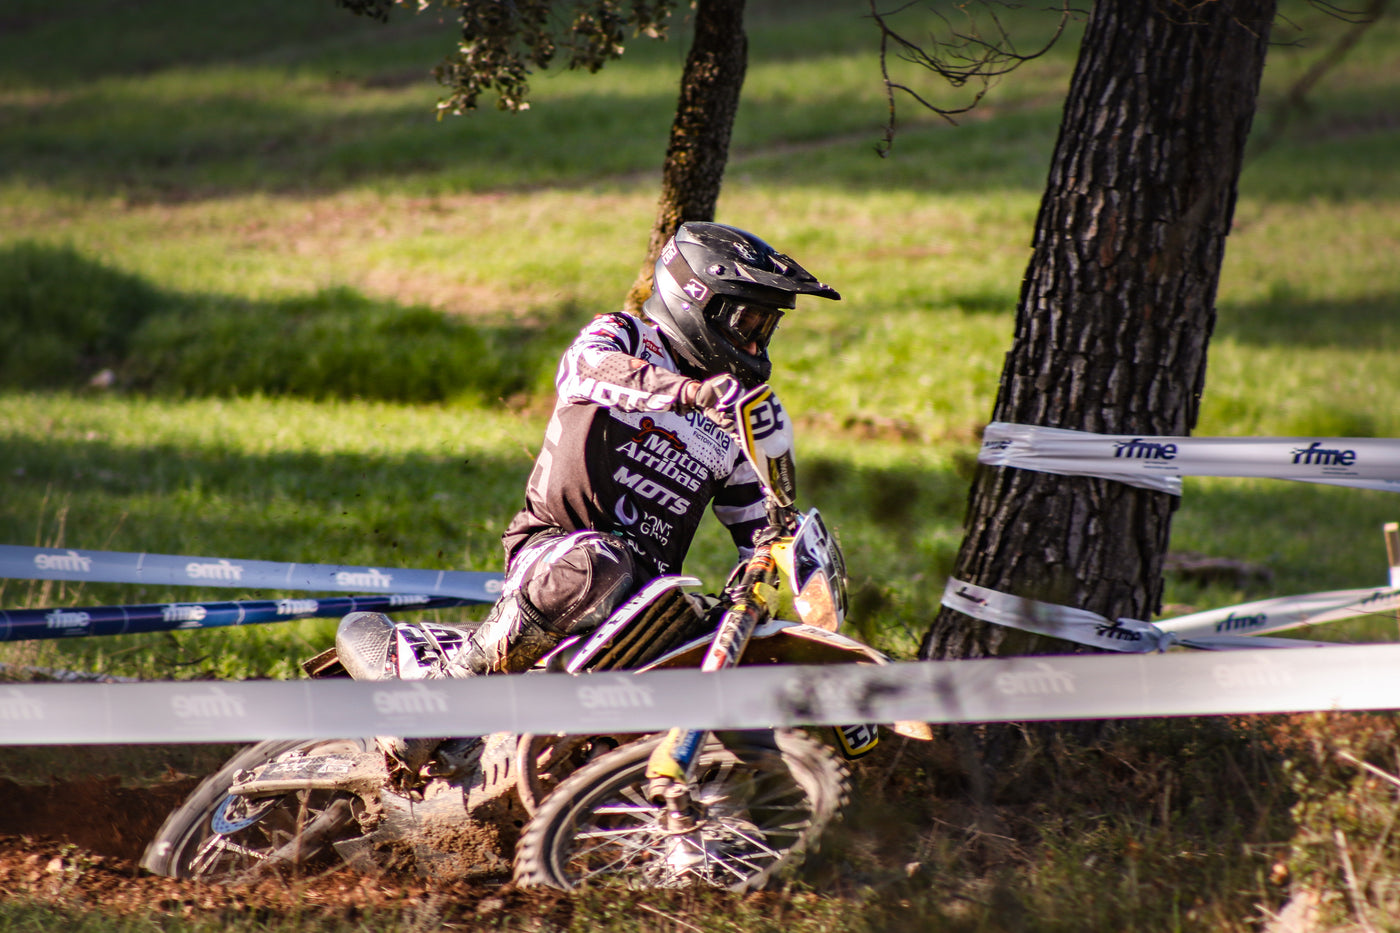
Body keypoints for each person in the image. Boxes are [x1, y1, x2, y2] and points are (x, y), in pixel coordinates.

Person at [335, 222, 838, 772]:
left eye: (765, 328)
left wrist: (773, 564)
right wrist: (688, 394)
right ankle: (443, 690)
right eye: (747, 322)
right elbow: (587, 370)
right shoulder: (622, 336)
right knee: (600, 562)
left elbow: (760, 523)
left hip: (650, 598)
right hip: (558, 550)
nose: (753, 343)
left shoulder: (731, 421)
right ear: (699, 299)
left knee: (730, 653)